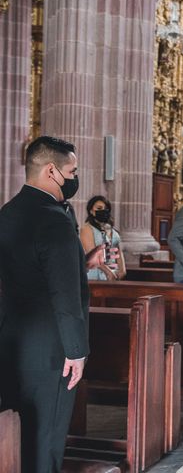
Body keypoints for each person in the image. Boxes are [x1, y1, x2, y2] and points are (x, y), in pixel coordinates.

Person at [0, 136, 101, 472]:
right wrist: (76, 351)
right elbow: (65, 293)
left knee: (18, 430)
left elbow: (26, 272)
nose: (74, 177)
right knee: (47, 434)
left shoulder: (8, 213)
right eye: (72, 170)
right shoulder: (54, 219)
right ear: (52, 171)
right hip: (51, 347)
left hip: (12, 339)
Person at [80, 195, 126, 280]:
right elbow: (93, 255)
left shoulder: (111, 229)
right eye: (99, 208)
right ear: (91, 211)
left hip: (113, 273)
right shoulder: (87, 229)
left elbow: (118, 251)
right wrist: (108, 272)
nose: (103, 211)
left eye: (106, 208)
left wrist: (122, 270)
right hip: (95, 274)